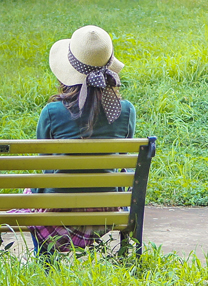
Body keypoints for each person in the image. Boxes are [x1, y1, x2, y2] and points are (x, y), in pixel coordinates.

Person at [14, 25, 135, 254]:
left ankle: (46, 260)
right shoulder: (125, 111)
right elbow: (121, 159)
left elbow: (45, 162)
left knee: (31, 192)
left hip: (58, 209)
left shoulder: (52, 112)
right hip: (106, 209)